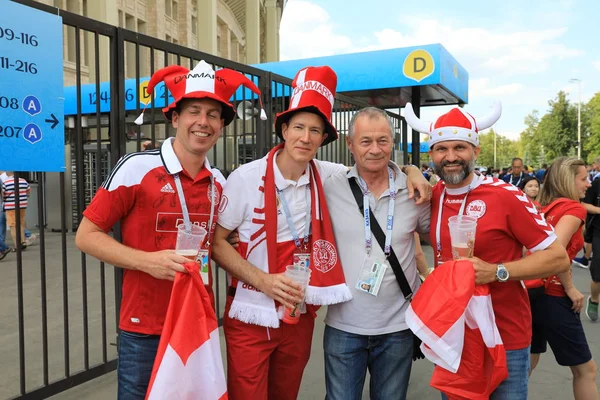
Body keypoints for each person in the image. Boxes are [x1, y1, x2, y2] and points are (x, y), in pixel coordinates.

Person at [212, 68, 430, 400]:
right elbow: (216, 242)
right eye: (298, 127)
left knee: (286, 393)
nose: (305, 137)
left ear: (324, 138)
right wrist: (263, 280)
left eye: (315, 130)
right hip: (253, 309)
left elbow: (373, 165)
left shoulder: (328, 175)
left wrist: (412, 170)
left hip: (300, 312)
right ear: (284, 129)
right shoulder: (245, 177)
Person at [75, 60, 266, 399]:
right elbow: (86, 236)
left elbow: (222, 243)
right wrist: (148, 261)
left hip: (197, 324)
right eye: (194, 111)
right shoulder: (137, 167)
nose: (202, 122)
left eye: (213, 115)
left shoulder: (220, 183)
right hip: (143, 329)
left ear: (222, 125)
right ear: (175, 118)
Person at [404, 101, 570, 399]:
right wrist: (410, 168)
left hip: (505, 335)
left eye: (460, 147)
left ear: (476, 151)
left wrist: (497, 271)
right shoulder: (434, 194)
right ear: (432, 154)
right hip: (455, 335)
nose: (451, 157)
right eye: (442, 149)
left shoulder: (505, 195)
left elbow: (558, 257)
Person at [322, 107, 430, 400]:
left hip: (398, 327)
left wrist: (412, 169)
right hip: (344, 326)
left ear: (392, 144)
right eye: (365, 141)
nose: (374, 149)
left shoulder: (413, 191)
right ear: (350, 144)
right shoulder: (330, 186)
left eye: (382, 140)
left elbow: (436, 234)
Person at [529, 157, 598, 400]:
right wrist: (570, 287)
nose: (588, 184)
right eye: (583, 178)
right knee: (585, 370)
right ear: (569, 181)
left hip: (530, 292)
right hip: (553, 295)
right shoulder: (573, 208)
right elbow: (554, 253)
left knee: (526, 362)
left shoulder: (542, 208)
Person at [580, 163, 600, 321]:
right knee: (597, 274)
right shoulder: (596, 185)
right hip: (598, 232)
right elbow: (583, 204)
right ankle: (594, 299)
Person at [2, 172, 30, 250]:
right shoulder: (23, 181)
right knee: (20, 223)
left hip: (11, 206)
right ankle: (23, 241)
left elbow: (3, 194)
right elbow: (28, 192)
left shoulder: (6, 182)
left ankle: (17, 245)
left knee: (13, 225)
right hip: (22, 205)